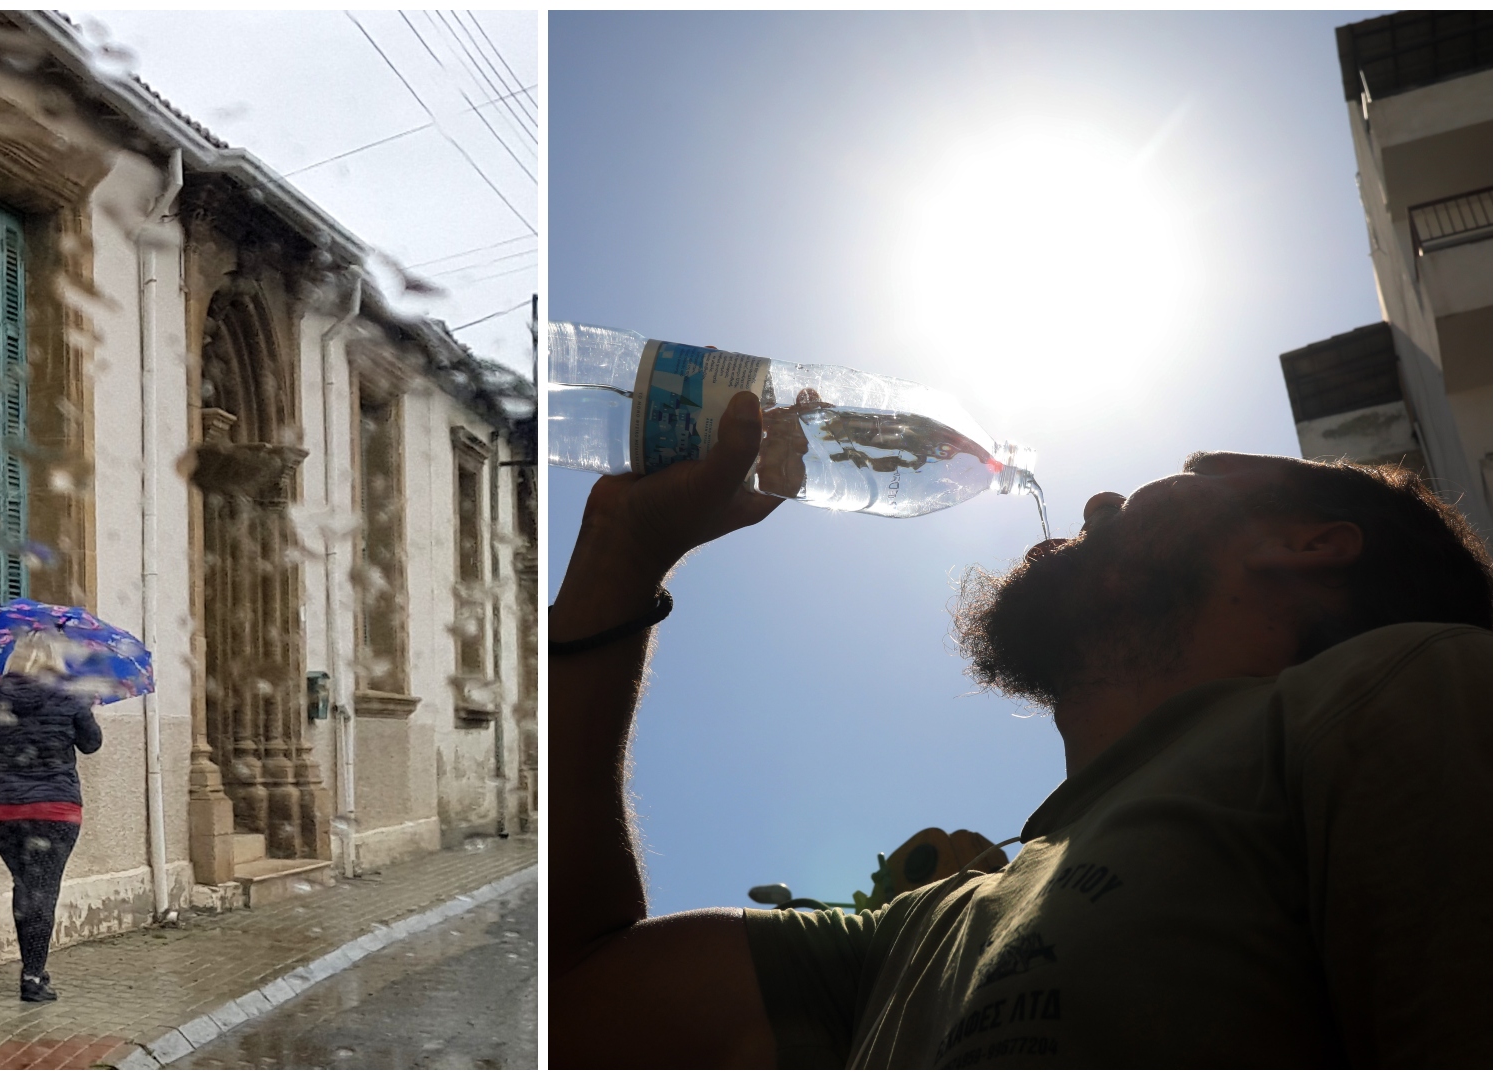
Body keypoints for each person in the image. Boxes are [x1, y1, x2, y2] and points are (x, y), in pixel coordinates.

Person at [550, 391, 1491, 1068]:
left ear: (1307, 543)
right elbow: (571, 995)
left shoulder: (1417, 692)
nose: (1100, 504)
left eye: (1184, 481)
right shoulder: (918, 934)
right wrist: (619, 557)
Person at [0, 631, 102, 1003]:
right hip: (55, 806)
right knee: (43, 890)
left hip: (3, 807)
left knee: (25, 886)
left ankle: (34, 968)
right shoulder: (70, 693)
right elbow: (91, 743)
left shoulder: (2, 694)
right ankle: (33, 977)